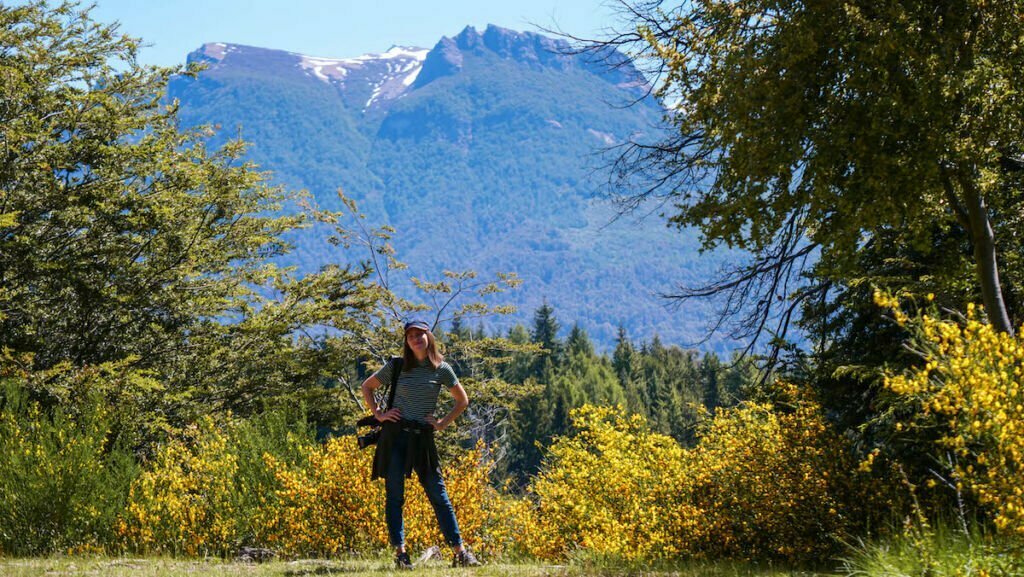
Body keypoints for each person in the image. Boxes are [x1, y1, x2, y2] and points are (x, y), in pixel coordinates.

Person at [360, 319, 482, 570]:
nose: (416, 339)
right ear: (406, 340)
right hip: (395, 437)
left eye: (420, 334)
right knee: (395, 496)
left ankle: (460, 553)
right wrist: (380, 415)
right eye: (411, 335)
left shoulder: (442, 369)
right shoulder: (397, 366)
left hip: (422, 438)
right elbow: (367, 387)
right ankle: (401, 555)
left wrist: (441, 423)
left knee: (439, 494)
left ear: (429, 337)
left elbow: (462, 400)